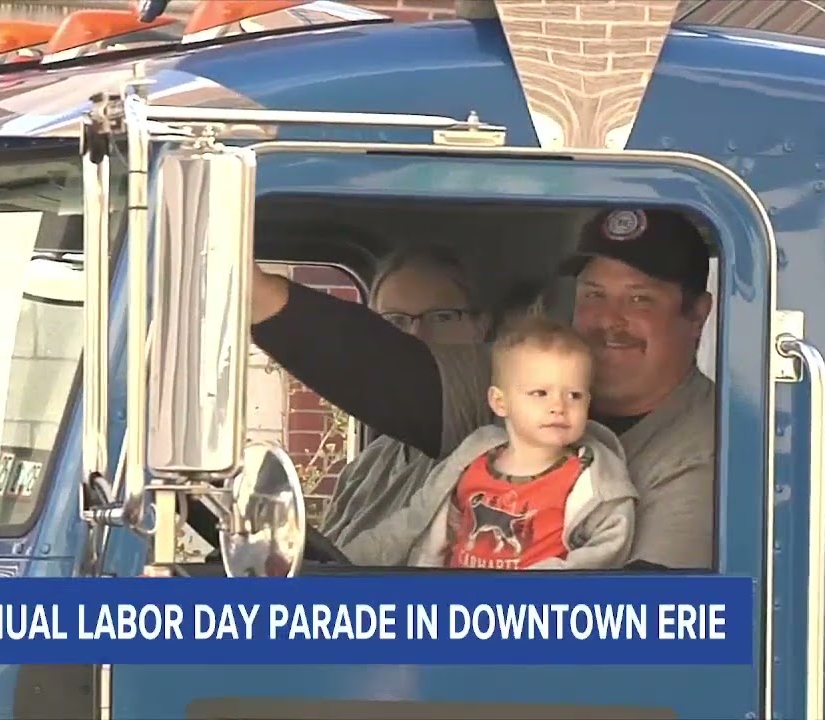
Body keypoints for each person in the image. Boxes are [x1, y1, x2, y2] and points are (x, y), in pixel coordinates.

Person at [252, 207, 715, 569]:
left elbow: (652, 618)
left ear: (697, 315)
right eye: (593, 294)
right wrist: (256, 292)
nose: (608, 320)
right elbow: (393, 374)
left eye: (640, 299)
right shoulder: (518, 385)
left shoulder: (705, 449)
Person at [349, 315, 637, 570]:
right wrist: (346, 561)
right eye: (540, 393)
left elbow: (605, 553)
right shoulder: (471, 461)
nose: (559, 407)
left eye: (574, 395)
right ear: (500, 402)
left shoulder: (592, 479)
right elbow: (415, 521)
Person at [319, 246, 486, 547]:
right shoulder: (367, 466)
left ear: (480, 326)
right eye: (395, 321)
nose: (415, 336)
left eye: (441, 317)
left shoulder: (487, 439)